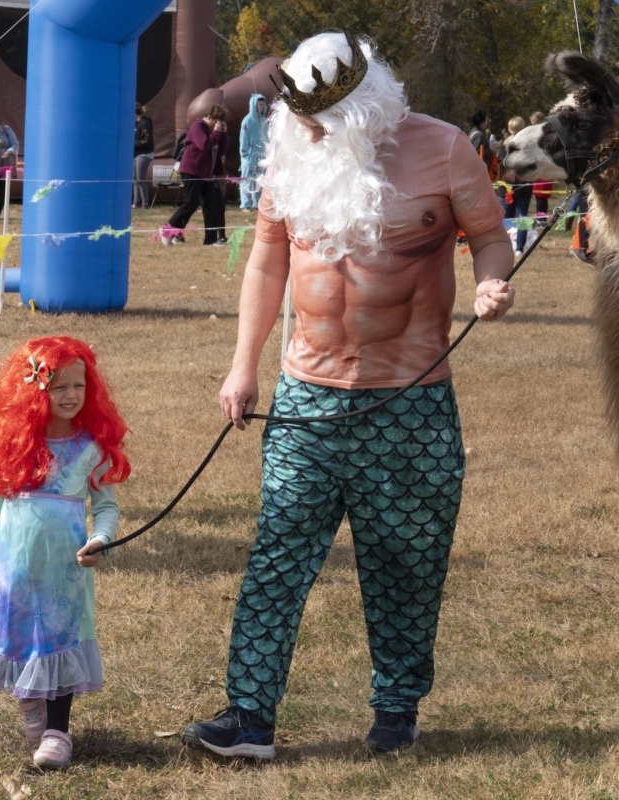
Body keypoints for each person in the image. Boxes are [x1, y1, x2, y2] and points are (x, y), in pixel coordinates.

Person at [181, 31, 513, 760]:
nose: (305, 131)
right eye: (298, 117)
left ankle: (396, 709)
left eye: (319, 117)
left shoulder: (444, 149)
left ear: (365, 105)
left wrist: (492, 281)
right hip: (307, 396)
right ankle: (249, 717)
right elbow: (267, 262)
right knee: (277, 553)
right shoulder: (292, 151)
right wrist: (244, 366)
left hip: (410, 399)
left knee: (407, 559)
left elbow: (491, 234)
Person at [0, 336, 129, 770]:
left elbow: (105, 508)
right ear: (34, 389)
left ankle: (57, 732)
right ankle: (30, 705)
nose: (70, 396)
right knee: (19, 634)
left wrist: (101, 540)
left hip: (64, 567)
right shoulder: (17, 445)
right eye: (59, 386)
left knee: (60, 638)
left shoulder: (90, 448)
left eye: (78, 386)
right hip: (14, 566)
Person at [161, 105, 229, 246]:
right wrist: (216, 132)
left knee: (211, 205)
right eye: (217, 121)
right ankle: (167, 229)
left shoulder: (212, 130)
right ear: (210, 117)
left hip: (207, 173)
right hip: (192, 170)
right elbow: (205, 145)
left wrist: (223, 134)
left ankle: (210, 240)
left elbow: (221, 150)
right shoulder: (198, 126)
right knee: (190, 203)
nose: (218, 124)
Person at [502, 115, 534, 256]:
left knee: (506, 220)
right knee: (522, 219)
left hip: (505, 188)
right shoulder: (525, 145)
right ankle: (519, 248)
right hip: (523, 187)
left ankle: (504, 246)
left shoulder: (504, 145)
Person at [239, 93, 269, 210]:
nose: (262, 106)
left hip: (262, 155)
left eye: (263, 104)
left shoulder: (264, 121)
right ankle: (245, 204)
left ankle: (257, 203)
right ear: (254, 105)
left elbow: (267, 138)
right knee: (247, 179)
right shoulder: (247, 121)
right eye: (260, 104)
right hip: (249, 155)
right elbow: (243, 137)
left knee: (260, 179)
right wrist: (244, 154)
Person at [133, 103, 154, 209]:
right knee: (135, 178)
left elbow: (146, 140)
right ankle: (136, 203)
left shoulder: (145, 122)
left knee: (140, 178)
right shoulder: (135, 123)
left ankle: (145, 204)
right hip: (136, 153)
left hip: (144, 153)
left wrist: (133, 143)